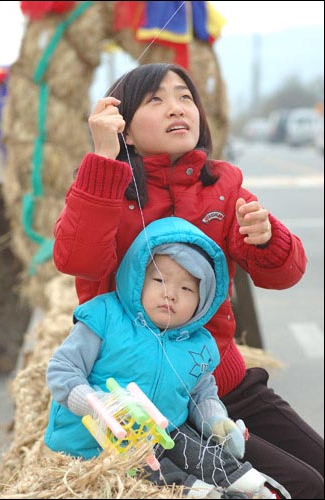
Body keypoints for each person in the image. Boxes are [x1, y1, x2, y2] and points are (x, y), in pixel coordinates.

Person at [52, 63, 323, 498]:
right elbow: (75, 258)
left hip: (222, 380)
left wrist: (268, 239)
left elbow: (284, 276)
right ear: (127, 131)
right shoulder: (106, 188)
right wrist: (103, 159)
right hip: (148, 402)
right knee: (302, 487)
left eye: (184, 97)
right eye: (155, 100)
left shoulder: (223, 185)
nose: (176, 108)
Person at [45, 216, 290, 499]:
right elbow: (62, 371)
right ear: (138, 278)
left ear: (204, 300)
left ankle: (251, 486)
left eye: (186, 288)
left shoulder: (198, 345)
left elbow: (201, 391)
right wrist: (98, 404)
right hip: (97, 442)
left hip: (164, 431)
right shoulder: (105, 316)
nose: (170, 294)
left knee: (197, 447)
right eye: (160, 280)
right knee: (151, 466)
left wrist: (215, 420)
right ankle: (201, 493)